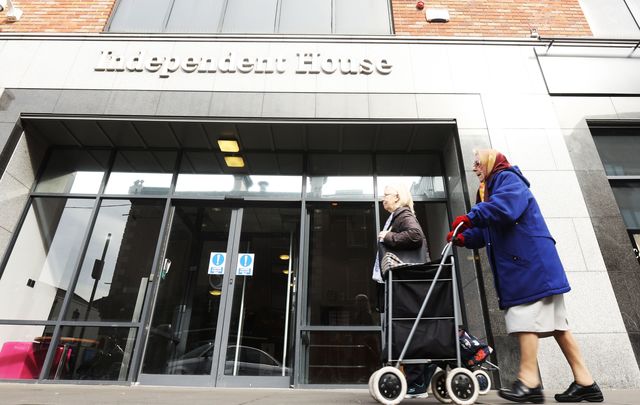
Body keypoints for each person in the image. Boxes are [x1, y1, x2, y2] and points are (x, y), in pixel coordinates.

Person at [447, 149, 604, 403]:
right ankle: (586, 382)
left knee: (525, 318)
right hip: (531, 264)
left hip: (529, 265)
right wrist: (466, 237)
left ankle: (529, 382)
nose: (474, 168)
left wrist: (471, 217)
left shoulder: (507, 179)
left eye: (477, 163)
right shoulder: (489, 189)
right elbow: (491, 231)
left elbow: (505, 209)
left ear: (490, 162)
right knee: (559, 327)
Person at [372, 183, 434, 398]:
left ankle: (417, 382)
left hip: (408, 284)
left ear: (397, 197)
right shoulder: (398, 215)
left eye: (386, 195)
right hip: (406, 284)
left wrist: (387, 237)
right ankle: (416, 378)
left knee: (408, 328)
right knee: (406, 328)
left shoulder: (403, 214)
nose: (383, 199)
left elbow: (415, 235)